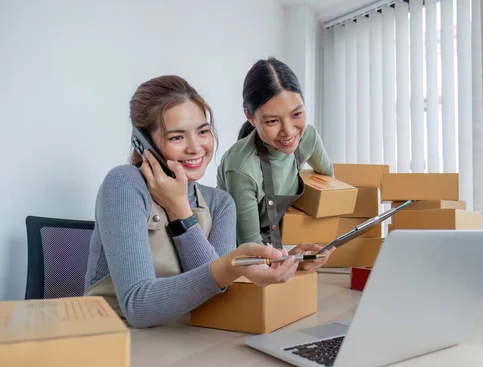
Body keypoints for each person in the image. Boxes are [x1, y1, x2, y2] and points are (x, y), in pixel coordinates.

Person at [84, 75, 299, 328]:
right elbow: (137, 307)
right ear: (144, 144)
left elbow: (216, 295)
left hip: (186, 338)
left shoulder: (220, 204)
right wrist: (228, 263)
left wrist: (180, 210)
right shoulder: (124, 184)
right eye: (177, 137)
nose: (196, 148)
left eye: (203, 132)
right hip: (112, 339)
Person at [217, 57, 335, 269]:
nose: (289, 131)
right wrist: (293, 260)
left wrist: (314, 240)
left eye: (297, 114)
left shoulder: (308, 138)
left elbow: (329, 183)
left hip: (275, 255)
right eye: (272, 121)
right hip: (236, 263)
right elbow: (250, 251)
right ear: (250, 117)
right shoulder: (241, 168)